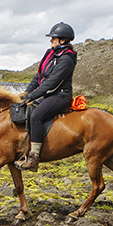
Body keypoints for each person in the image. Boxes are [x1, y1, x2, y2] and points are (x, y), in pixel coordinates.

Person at [14, 22, 77, 172]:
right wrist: (26, 93)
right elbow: (38, 76)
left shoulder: (67, 59)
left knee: (36, 115)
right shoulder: (50, 54)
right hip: (48, 95)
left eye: (53, 38)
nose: (51, 41)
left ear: (63, 40)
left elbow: (51, 82)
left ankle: (34, 157)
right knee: (27, 109)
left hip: (60, 96)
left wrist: (33, 96)